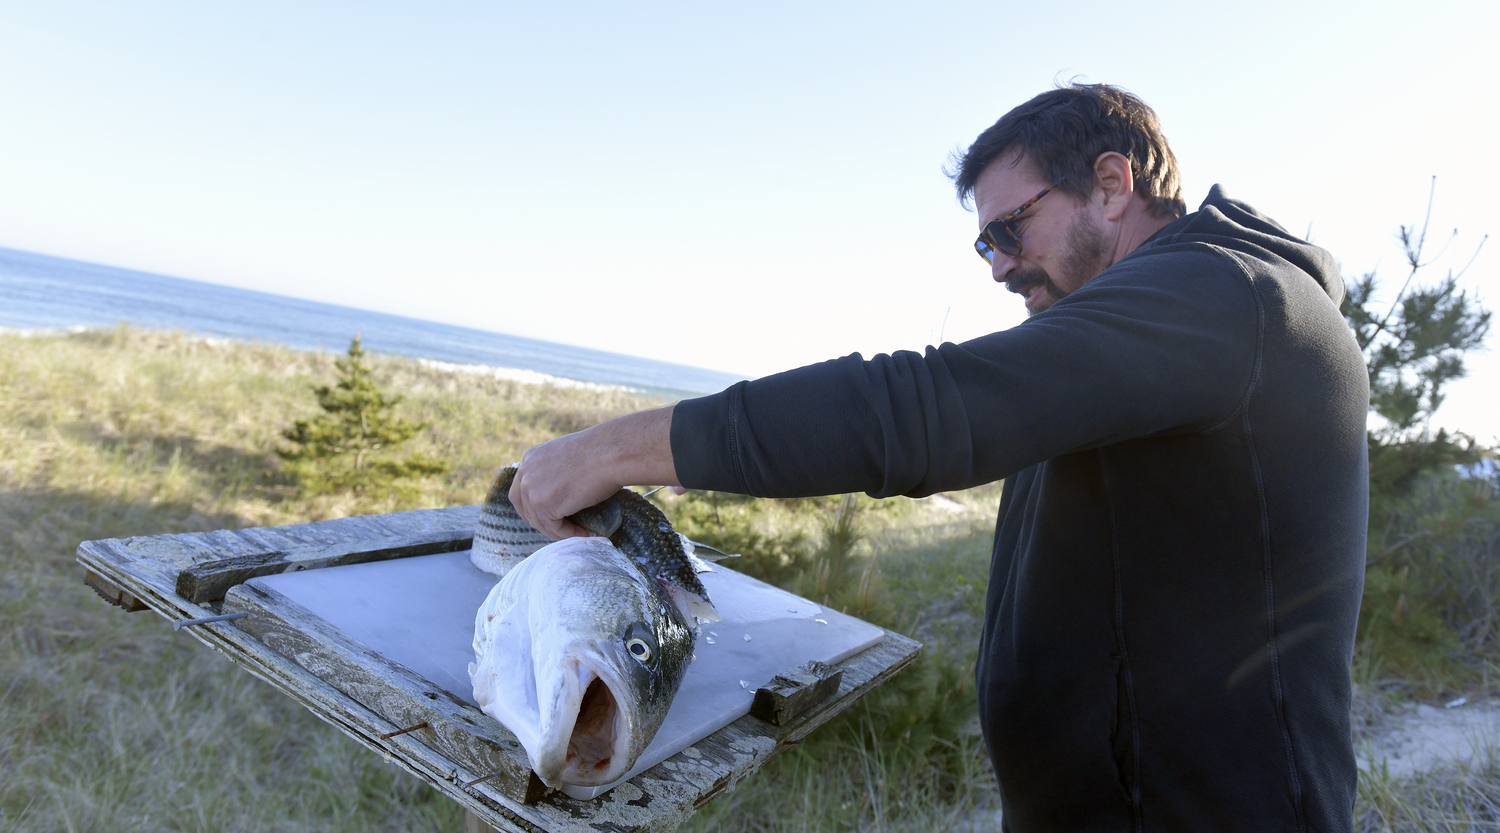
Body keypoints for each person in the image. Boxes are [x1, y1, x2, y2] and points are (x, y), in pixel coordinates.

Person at [509, 82, 1369, 833]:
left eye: (1011, 228)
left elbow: (917, 409)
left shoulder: (1224, 297)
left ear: (1112, 184)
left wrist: (611, 449)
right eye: (985, 244)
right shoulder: (1141, 340)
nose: (999, 267)